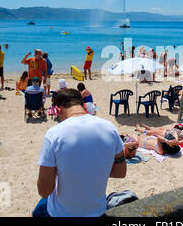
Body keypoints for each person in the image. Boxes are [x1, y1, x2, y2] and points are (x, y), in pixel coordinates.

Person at [34, 88, 126, 217]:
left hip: (61, 213)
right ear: (83, 106)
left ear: (59, 110)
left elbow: (44, 190)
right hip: (97, 211)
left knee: (37, 210)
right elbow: (120, 172)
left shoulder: (54, 134)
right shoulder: (110, 128)